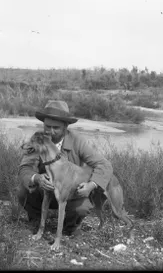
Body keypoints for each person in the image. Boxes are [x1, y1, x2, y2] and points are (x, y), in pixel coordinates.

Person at [17, 100, 113, 236]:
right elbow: (25, 168)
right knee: (23, 191)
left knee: (82, 207)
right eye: (47, 126)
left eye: (55, 128)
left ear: (65, 127)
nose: (50, 132)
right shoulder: (38, 139)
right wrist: (37, 178)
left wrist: (91, 185)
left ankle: (69, 228)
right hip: (45, 192)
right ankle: (37, 221)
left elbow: (104, 165)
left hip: (70, 194)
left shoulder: (78, 141)